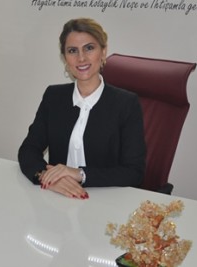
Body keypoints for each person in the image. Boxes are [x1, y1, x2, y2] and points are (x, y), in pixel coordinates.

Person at [18, 18, 146, 199]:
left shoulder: (126, 104)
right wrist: (46, 178)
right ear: (65, 58)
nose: (81, 58)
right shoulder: (54, 97)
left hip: (106, 200)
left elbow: (134, 172)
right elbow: (28, 149)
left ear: (103, 52)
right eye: (72, 51)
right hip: (57, 198)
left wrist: (79, 174)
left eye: (89, 48)